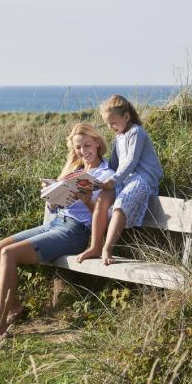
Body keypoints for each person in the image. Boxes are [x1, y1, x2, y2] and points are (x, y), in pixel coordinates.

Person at [0, 123, 115, 343]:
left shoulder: (106, 175)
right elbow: (56, 207)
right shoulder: (75, 170)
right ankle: (14, 309)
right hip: (55, 223)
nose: (83, 151)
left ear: (98, 143)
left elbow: (104, 219)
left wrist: (87, 201)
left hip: (75, 231)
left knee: (8, 254)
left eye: (87, 145)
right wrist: (51, 195)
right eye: (78, 147)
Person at [76, 94, 163, 265]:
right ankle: (95, 246)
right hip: (127, 178)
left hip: (143, 180)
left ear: (126, 116)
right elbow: (115, 163)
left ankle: (108, 248)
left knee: (121, 202)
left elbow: (131, 160)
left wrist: (114, 180)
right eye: (107, 124)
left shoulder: (136, 132)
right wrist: (102, 179)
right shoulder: (120, 136)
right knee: (103, 198)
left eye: (113, 123)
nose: (110, 127)